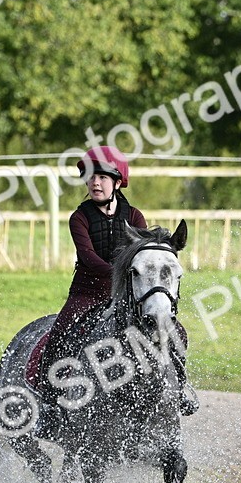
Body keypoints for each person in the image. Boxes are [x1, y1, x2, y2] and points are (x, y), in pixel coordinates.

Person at [38, 145, 197, 415]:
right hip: (88, 292)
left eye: (102, 177)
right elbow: (87, 257)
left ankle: (181, 387)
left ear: (116, 181)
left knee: (177, 331)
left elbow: (145, 258)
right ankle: (49, 402)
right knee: (59, 335)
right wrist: (119, 273)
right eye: (91, 177)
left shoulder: (134, 216)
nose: (95, 183)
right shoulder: (79, 217)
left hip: (128, 293)